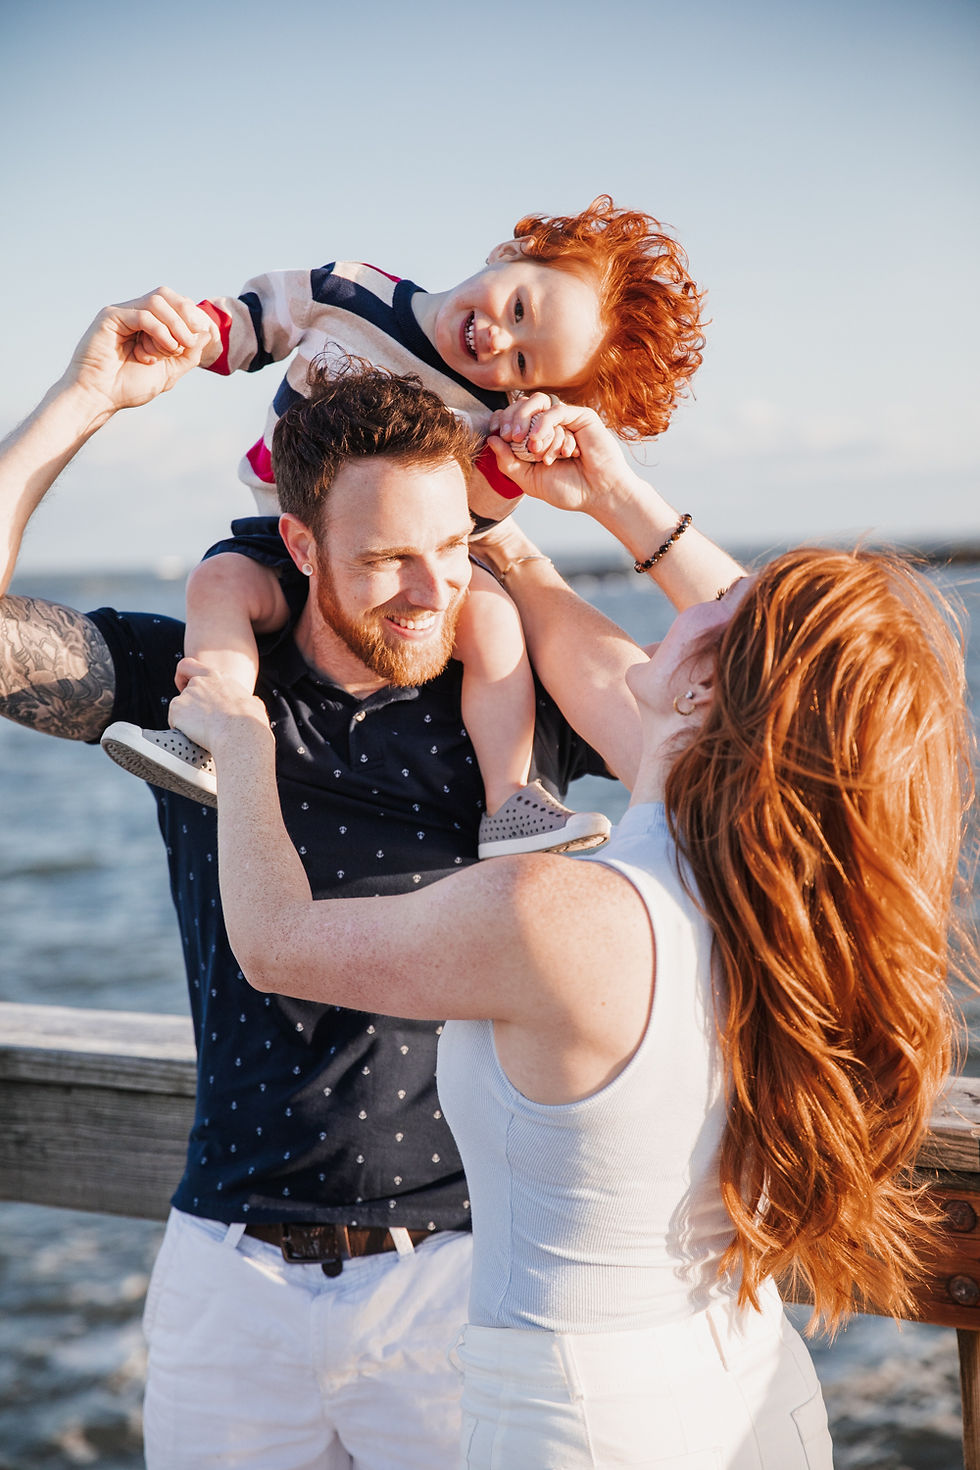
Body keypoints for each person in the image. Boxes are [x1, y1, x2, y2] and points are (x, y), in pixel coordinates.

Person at [0, 292, 740, 1469]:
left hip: (457, 1281)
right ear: (297, 543)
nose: (427, 591)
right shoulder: (195, 688)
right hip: (225, 1285)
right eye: (388, 557)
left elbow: (769, 716)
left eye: (450, 550)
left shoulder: (514, 705)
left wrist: (611, 493)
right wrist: (82, 400)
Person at [170, 402, 973, 1468]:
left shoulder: (553, 914)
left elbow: (274, 941)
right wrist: (558, 509)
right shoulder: (789, 886)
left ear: (707, 678)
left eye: (721, 611)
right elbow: (813, 694)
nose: (695, 606)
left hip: (582, 1426)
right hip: (750, 1395)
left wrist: (240, 738)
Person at [100, 197, 705, 857]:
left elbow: (473, 521)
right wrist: (197, 334)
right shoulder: (356, 292)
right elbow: (265, 316)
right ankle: (209, 730)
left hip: (408, 564)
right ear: (509, 255)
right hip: (282, 526)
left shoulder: (490, 413)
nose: (500, 339)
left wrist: (511, 459)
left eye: (526, 364)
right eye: (520, 308)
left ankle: (510, 801)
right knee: (217, 583)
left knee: (494, 620)